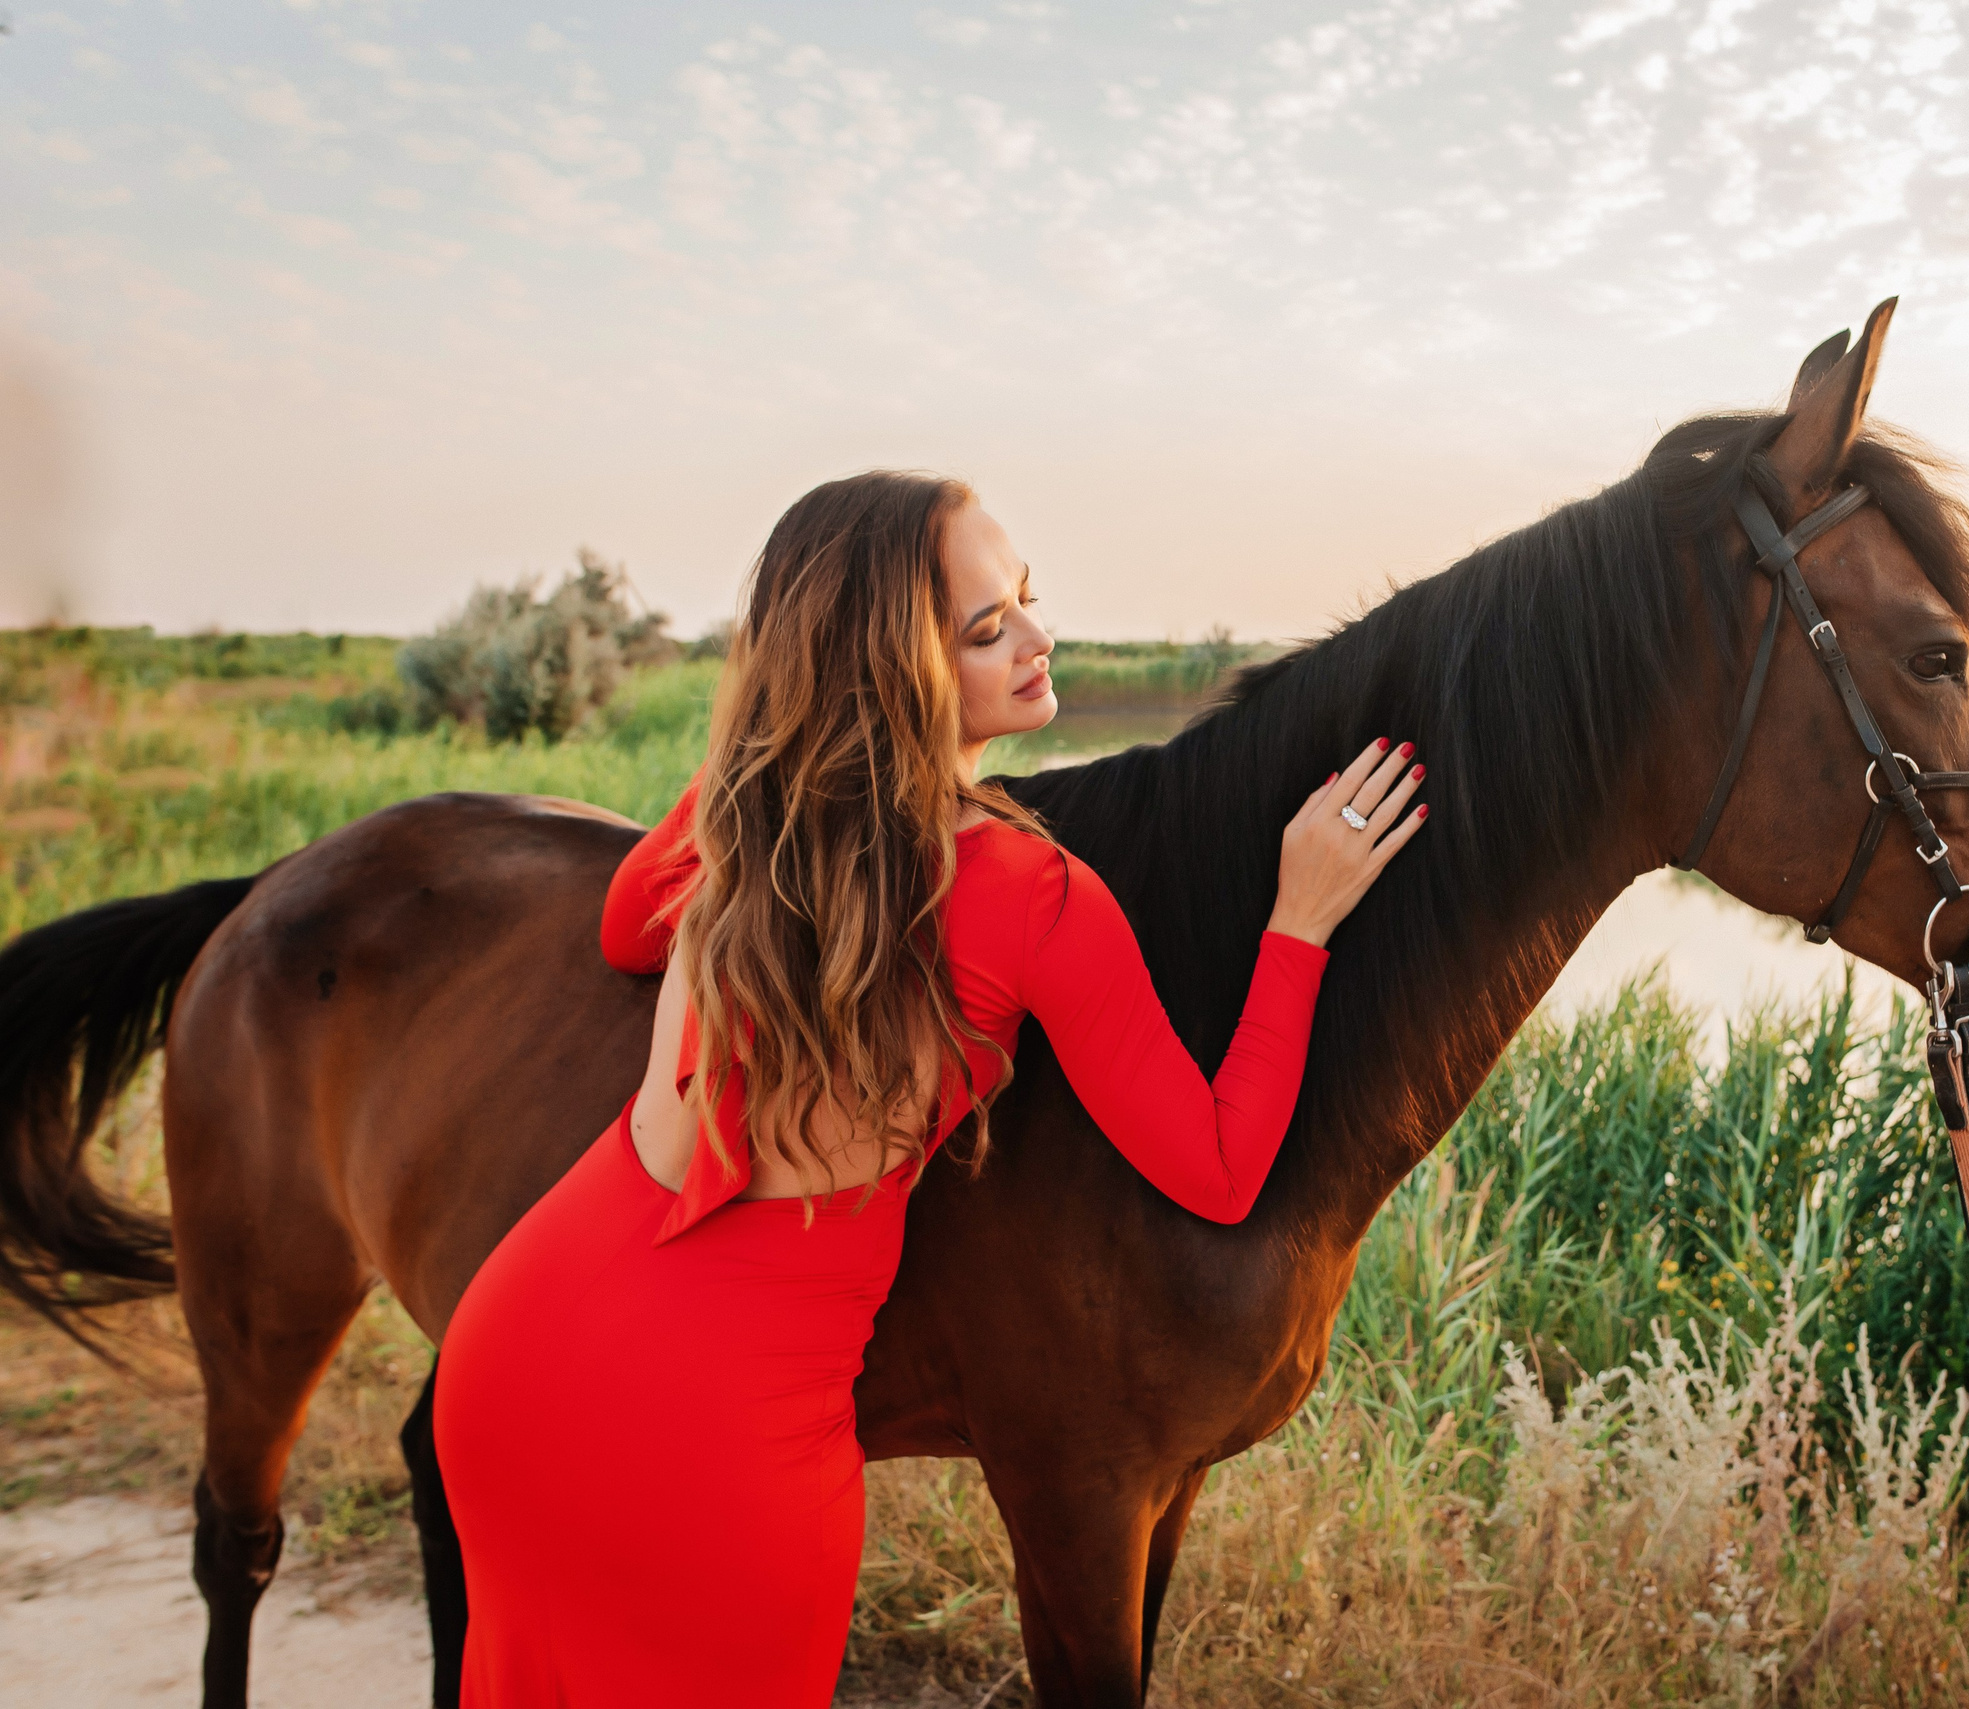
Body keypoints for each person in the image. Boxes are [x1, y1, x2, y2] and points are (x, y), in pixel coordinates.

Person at [433, 471, 1425, 1706]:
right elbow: (1219, 1171)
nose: (1037, 638)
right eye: (987, 627)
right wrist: (1299, 920)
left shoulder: (743, 809)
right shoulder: (1033, 894)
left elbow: (626, 923)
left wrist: (766, 753)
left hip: (520, 1347)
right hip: (725, 1430)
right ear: (892, 669)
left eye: (1026, 600)